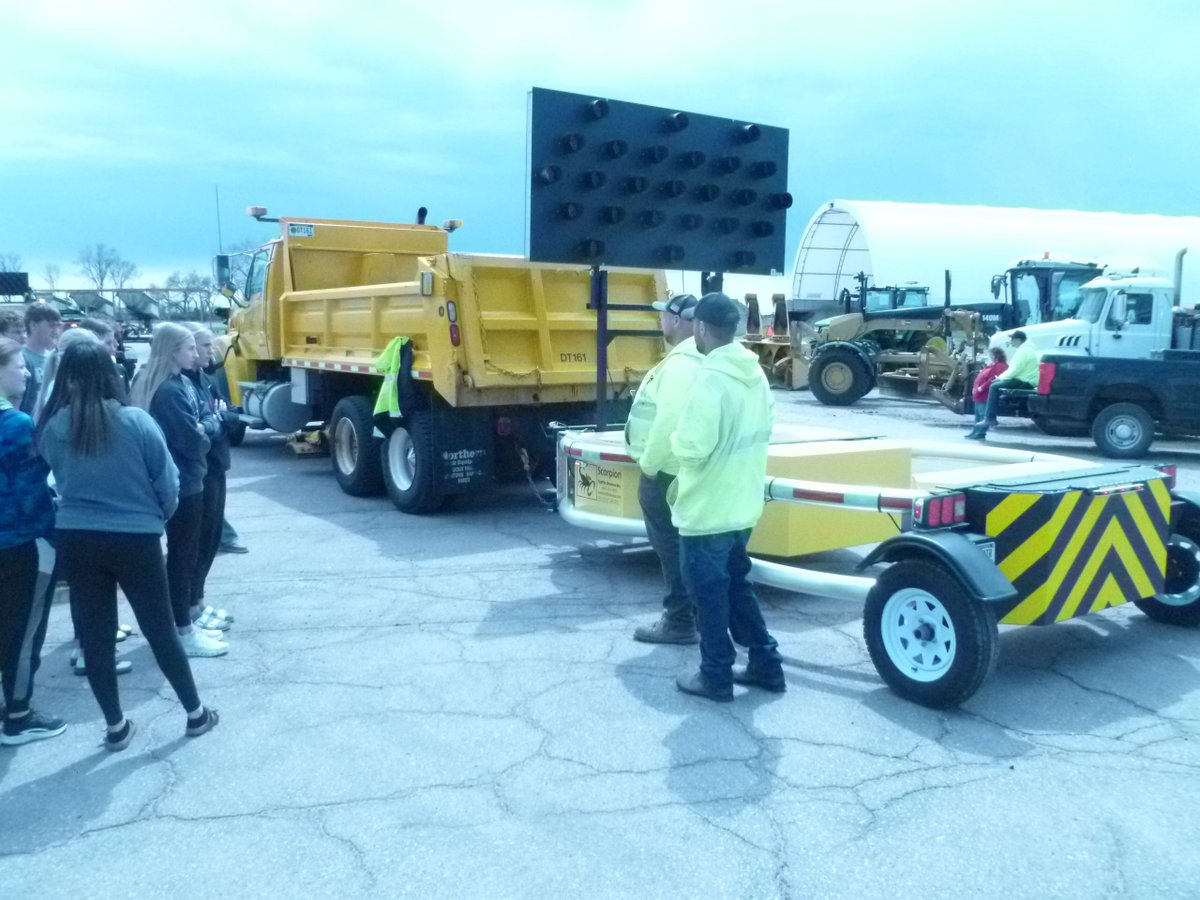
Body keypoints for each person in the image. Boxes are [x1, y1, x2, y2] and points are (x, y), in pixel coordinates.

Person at [38, 341, 219, 750]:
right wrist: (157, 517)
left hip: (77, 538)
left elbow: (55, 477)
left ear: (66, 379)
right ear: (111, 374)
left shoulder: (54, 427)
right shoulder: (135, 421)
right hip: (136, 537)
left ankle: (116, 726)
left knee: (96, 636)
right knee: (160, 630)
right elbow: (168, 481)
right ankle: (195, 714)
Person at [669, 293, 784, 702]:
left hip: (707, 511)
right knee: (736, 588)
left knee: (708, 595)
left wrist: (674, 438)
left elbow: (692, 448)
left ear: (700, 328)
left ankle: (715, 674)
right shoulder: (755, 375)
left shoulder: (710, 380)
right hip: (742, 506)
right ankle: (766, 664)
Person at [131, 323, 227, 657]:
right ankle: (182, 629)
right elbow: (194, 441)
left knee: (184, 553)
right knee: (183, 555)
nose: (196, 353)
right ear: (172, 351)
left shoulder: (177, 383)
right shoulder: (169, 391)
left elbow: (203, 421)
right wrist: (209, 424)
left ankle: (184, 622)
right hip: (184, 482)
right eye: (190, 348)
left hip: (186, 479)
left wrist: (205, 423)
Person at [624, 293, 704, 644]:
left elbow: (668, 419)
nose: (660, 321)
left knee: (671, 547)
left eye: (663, 315)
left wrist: (650, 466)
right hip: (683, 469)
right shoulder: (698, 359)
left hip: (666, 472)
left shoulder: (681, 365)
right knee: (685, 547)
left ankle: (680, 621)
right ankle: (697, 617)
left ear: (676, 320)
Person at [0, 337, 64, 745]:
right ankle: (19, 715)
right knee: (23, 631)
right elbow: (32, 498)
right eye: (18, 365)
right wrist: (57, 535)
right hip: (20, 544)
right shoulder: (16, 425)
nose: (26, 371)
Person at [182, 323, 235, 631]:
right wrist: (216, 419)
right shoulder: (182, 385)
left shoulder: (206, 379)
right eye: (203, 346)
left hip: (216, 465)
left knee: (212, 538)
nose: (210, 351)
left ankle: (198, 601)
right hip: (200, 472)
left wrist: (216, 419)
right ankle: (190, 606)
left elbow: (230, 414)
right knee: (197, 543)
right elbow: (202, 427)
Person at [966, 330, 1039, 440]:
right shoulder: (1027, 350)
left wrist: (999, 378)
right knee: (995, 385)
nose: (1011, 342)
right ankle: (989, 418)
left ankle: (990, 418)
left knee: (994, 386)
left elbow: (1015, 370)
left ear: (1018, 340)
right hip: (1025, 379)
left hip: (1023, 380)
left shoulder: (1023, 351)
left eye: (1012, 339)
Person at [19, 304, 61, 416]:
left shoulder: (54, 357)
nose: (56, 331)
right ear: (33, 325)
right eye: (51, 325)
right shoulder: (20, 358)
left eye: (58, 325)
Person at [970, 347, 1007, 425]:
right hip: (979, 393)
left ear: (995, 356)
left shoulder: (1000, 366)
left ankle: (980, 431)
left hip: (984, 393)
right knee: (978, 416)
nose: (990, 356)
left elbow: (993, 379)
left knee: (982, 415)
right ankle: (976, 430)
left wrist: (981, 388)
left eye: (991, 354)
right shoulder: (992, 365)